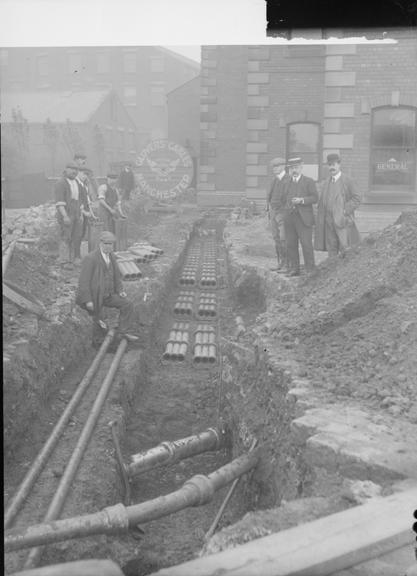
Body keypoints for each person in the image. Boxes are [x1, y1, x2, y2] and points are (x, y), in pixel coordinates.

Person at [76, 230, 139, 344]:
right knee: (99, 322)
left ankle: (122, 333)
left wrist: (120, 291)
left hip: (108, 295)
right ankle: (97, 342)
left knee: (127, 304)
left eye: (111, 244)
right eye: (106, 244)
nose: (108, 246)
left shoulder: (112, 256)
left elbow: (116, 276)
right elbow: (83, 282)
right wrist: (88, 300)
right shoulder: (91, 258)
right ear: (100, 243)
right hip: (96, 296)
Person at [314, 153, 361, 258]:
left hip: (343, 221)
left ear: (339, 165)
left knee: (346, 248)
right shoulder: (326, 182)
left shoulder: (348, 181)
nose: (332, 167)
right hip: (329, 221)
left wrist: (345, 211)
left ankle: (346, 272)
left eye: (334, 164)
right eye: (329, 165)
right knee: (332, 248)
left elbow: (357, 198)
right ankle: (333, 272)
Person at [283, 157, 318, 277]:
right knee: (291, 244)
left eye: (296, 167)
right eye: (292, 168)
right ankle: (295, 269)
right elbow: (283, 199)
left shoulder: (309, 181)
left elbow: (315, 198)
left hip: (304, 219)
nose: (294, 170)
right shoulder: (286, 182)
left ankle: (310, 270)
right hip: (290, 218)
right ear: (289, 169)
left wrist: (302, 200)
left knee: (306, 244)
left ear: (301, 168)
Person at [54, 162, 84, 267]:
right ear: (66, 169)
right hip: (66, 213)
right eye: (71, 169)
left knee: (77, 236)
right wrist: (65, 216)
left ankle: (74, 259)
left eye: (76, 169)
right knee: (65, 236)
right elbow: (59, 203)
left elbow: (80, 200)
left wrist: (80, 215)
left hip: (76, 213)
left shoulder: (77, 182)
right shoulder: (60, 183)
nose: (74, 171)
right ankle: (64, 261)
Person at [266, 157, 289, 271]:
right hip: (273, 213)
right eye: (274, 167)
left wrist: (283, 211)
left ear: (283, 166)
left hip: (283, 213)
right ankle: (280, 263)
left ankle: (287, 264)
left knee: (284, 238)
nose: (275, 169)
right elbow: (270, 198)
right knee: (276, 238)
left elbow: (289, 198)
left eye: (277, 166)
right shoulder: (274, 180)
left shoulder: (288, 179)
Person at [76, 167, 98, 241]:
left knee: (82, 233)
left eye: (86, 175)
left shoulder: (84, 186)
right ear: (78, 172)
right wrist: (84, 213)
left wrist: (92, 214)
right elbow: (75, 201)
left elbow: (87, 202)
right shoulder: (74, 184)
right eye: (83, 174)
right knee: (76, 235)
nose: (85, 176)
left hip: (84, 213)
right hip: (77, 213)